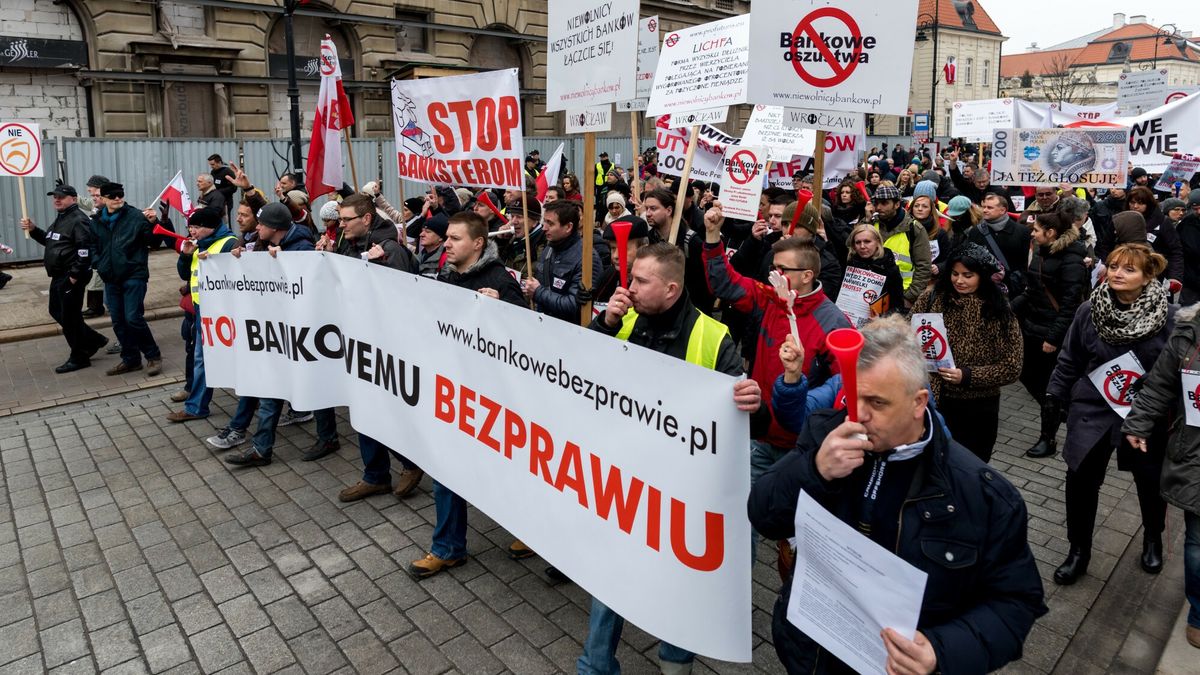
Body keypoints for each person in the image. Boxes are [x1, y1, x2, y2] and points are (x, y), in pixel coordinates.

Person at [749, 314, 1046, 674]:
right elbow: (763, 513)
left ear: (919, 402)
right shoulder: (825, 433)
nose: (858, 415)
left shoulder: (982, 493)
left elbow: (1015, 602)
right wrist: (813, 470)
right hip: (811, 654)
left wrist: (941, 651)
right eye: (854, 398)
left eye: (877, 403)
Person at [579, 242, 765, 675]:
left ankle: (675, 661)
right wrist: (606, 324)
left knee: (680, 581)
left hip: (683, 487)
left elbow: (737, 415)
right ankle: (595, 665)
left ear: (671, 289)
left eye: (641, 281)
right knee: (612, 574)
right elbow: (580, 368)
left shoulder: (712, 336)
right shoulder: (622, 318)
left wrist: (750, 399)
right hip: (624, 473)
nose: (630, 288)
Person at [1047, 244, 1174, 585]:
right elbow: (1071, 357)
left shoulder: (1169, 318)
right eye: (1114, 266)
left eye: (1129, 269)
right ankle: (1078, 550)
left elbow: (1177, 368)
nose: (1117, 273)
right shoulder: (1090, 310)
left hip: (1144, 413)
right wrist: (1055, 395)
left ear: (1149, 276)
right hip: (1093, 407)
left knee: (1149, 482)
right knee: (1080, 481)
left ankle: (1152, 536)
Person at [408, 212, 524, 579]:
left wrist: (501, 310)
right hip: (454, 392)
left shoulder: (499, 279)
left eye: (455, 239)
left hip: (491, 397)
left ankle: (532, 532)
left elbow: (528, 336)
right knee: (446, 471)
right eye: (448, 238)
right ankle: (448, 548)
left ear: (478, 243)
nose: (447, 243)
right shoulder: (448, 273)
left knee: (507, 472)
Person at [1122, 303, 1200, 651]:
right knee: (1198, 541)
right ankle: (1198, 613)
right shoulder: (1188, 332)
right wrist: (1139, 423)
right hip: (1195, 451)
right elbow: (1159, 384)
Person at [221, 203, 316, 467]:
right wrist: (243, 258)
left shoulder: (302, 247)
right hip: (275, 333)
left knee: (307, 389)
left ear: (275, 228)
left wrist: (284, 262)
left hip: (296, 334)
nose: (257, 228)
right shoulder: (263, 243)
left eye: (261, 224)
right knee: (269, 391)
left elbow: (308, 284)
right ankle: (261, 449)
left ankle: (326, 437)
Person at [911, 244, 1022, 461]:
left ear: (982, 276)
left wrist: (968, 376)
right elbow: (908, 332)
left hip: (978, 408)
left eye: (967, 275)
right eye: (955, 274)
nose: (959, 281)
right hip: (936, 400)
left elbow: (1012, 366)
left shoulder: (998, 311)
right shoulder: (932, 299)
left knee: (972, 466)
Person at [1014, 212, 1088, 459]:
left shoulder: (1072, 259)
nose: (1032, 233)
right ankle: (1060, 409)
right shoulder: (1042, 251)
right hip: (1032, 325)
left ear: (1051, 233)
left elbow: (1070, 305)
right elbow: (1032, 290)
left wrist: (1053, 338)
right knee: (1024, 372)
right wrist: (1007, 308)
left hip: (1052, 332)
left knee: (1050, 388)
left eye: (1036, 229)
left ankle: (1048, 438)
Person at [18, 183, 109, 373]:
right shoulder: (61, 218)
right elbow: (50, 241)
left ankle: (79, 356)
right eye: (55, 197)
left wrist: (74, 276)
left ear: (73, 199)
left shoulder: (77, 220)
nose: (57, 199)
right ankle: (93, 340)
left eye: (61, 196)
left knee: (69, 317)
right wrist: (34, 229)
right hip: (59, 276)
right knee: (56, 310)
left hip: (70, 276)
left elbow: (84, 251)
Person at [165, 208, 238, 423]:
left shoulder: (228, 243)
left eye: (197, 227)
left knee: (204, 359)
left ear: (211, 227)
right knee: (202, 359)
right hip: (202, 310)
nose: (192, 232)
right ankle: (196, 406)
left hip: (221, 312)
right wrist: (186, 257)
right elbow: (186, 274)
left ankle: (197, 405)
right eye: (190, 227)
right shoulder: (200, 244)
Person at [91, 182, 163, 377]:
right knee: (118, 321)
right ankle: (131, 359)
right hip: (110, 278)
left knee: (133, 318)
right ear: (103, 198)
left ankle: (153, 356)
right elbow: (92, 246)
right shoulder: (97, 221)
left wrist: (155, 222)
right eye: (112, 196)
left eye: (120, 195)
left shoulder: (135, 217)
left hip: (134, 275)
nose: (117, 198)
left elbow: (155, 242)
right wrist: (98, 263)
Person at [522, 201, 602, 323]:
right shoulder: (549, 249)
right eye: (544, 221)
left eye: (550, 223)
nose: (544, 228)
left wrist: (538, 292)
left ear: (568, 227)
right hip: (543, 324)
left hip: (569, 333)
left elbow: (574, 305)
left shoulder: (587, 259)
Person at [871, 185, 932, 306]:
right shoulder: (871, 223)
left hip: (901, 294)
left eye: (884, 203)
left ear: (897, 204)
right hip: (872, 292)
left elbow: (924, 266)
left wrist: (910, 296)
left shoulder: (914, 229)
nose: (878, 207)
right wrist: (865, 221)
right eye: (876, 203)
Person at [967, 193, 1030, 298]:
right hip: (984, 288)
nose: (985, 210)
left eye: (990, 207)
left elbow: (1026, 262)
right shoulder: (975, 231)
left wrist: (1021, 281)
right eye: (984, 207)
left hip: (1013, 289)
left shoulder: (1022, 231)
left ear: (1002, 210)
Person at [844, 222, 905, 317]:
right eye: (858, 242)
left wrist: (882, 318)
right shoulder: (849, 265)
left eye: (867, 241)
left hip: (878, 326)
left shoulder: (890, 269)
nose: (862, 246)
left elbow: (898, 307)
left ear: (877, 242)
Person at [1128, 186, 1184, 286]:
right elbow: (1106, 245)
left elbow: (1175, 251)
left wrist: (1174, 277)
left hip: (1157, 275)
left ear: (1148, 204)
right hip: (1128, 274)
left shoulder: (1162, 221)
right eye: (1132, 203)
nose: (1135, 206)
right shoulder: (1122, 220)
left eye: (1140, 203)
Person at [82, 175, 114, 320]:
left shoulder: (109, 206)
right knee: (94, 278)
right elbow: (84, 202)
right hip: (97, 250)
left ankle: (96, 307)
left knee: (96, 279)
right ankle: (95, 306)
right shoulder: (96, 203)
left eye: (92, 189)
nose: (89, 192)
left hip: (105, 251)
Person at [910, 195, 950, 281]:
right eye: (916, 206)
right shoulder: (905, 230)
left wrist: (939, 267)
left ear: (931, 210)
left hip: (932, 280)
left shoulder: (940, 233)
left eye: (924, 206)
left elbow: (948, 259)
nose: (920, 209)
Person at [208, 154, 237, 221]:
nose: (211, 167)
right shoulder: (213, 172)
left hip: (226, 203)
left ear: (219, 162)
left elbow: (233, 188)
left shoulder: (228, 171)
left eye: (213, 164)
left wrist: (218, 192)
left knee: (225, 223)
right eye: (210, 165)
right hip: (215, 202)